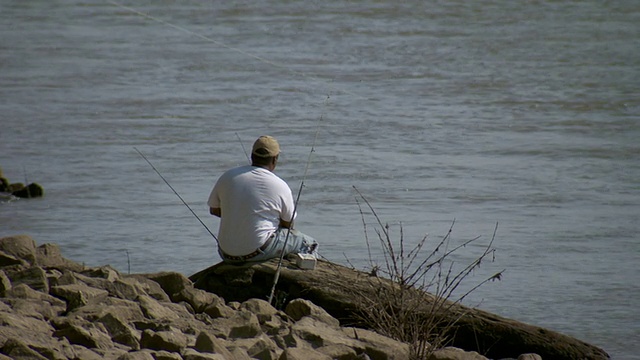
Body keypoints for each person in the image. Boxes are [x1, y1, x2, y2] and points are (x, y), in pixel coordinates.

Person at [208, 135, 318, 263]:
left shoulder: (228, 176)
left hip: (225, 252)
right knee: (309, 244)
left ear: (252, 156)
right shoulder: (279, 185)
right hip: (257, 252)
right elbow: (288, 224)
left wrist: (240, 215)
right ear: (275, 159)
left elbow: (214, 210)